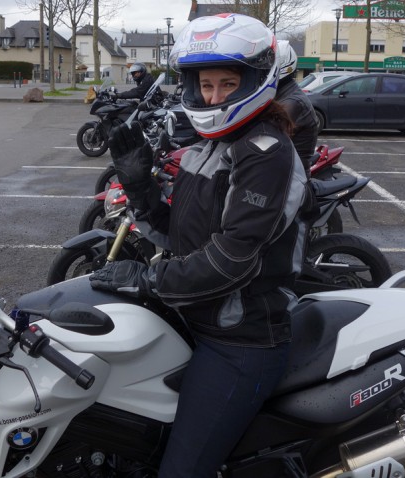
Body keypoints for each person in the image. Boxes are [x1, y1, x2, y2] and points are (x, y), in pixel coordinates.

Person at [87, 13, 309, 478]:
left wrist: (149, 278)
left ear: (256, 78)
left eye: (227, 83)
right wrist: (140, 188)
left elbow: (231, 259)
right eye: (205, 86)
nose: (214, 97)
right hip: (191, 316)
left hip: (240, 338)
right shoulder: (207, 145)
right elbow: (179, 235)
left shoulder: (265, 152)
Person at [275, 40, 319, 177]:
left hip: (291, 179)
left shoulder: (292, 103)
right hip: (283, 169)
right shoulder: (280, 93)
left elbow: (266, 136)